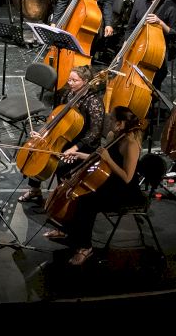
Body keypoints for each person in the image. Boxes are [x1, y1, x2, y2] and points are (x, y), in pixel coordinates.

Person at [43, 107, 145, 266]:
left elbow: (127, 177)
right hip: (110, 181)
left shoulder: (131, 144)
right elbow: (99, 158)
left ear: (120, 124)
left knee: (86, 201)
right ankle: (66, 230)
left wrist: (108, 159)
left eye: (112, 119)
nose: (108, 121)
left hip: (125, 192)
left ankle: (85, 247)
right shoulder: (113, 135)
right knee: (74, 185)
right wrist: (78, 155)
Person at [17, 65, 104, 204]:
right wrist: (43, 133)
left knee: (61, 166)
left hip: (83, 144)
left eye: (74, 80)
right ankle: (35, 190)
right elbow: (55, 117)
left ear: (85, 81)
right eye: (69, 80)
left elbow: (94, 133)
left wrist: (74, 148)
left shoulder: (94, 102)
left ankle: (62, 198)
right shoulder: (68, 94)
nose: (70, 83)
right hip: (63, 136)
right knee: (34, 151)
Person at [126, 0, 176, 90]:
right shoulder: (139, 2)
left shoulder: (171, 7)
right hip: (136, 47)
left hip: (155, 53)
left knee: (151, 86)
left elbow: (175, 33)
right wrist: (127, 43)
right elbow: (130, 27)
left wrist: (160, 23)